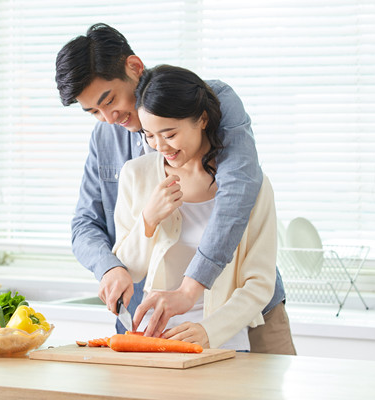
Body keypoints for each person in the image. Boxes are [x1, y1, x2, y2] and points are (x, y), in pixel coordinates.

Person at [55, 23, 296, 354]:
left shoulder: (210, 101)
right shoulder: (119, 154)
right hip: (152, 321)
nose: (108, 118)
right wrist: (110, 267)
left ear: (134, 68)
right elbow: (86, 223)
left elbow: (240, 190)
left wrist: (190, 292)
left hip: (244, 318)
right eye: (93, 112)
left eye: (108, 100)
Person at [113, 64, 276, 350]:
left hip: (222, 341)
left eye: (170, 134)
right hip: (155, 341)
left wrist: (208, 330)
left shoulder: (252, 186)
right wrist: (148, 220)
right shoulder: (136, 175)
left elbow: (259, 283)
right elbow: (131, 271)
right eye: (149, 135)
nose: (160, 146)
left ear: (201, 119)